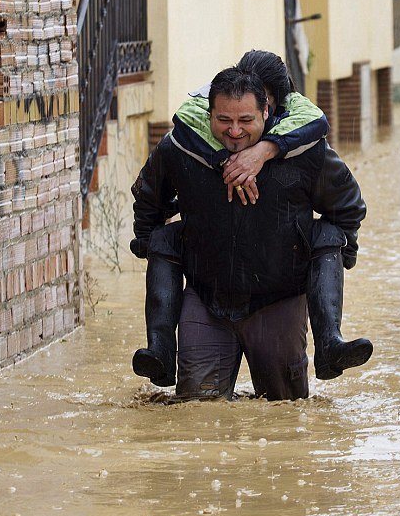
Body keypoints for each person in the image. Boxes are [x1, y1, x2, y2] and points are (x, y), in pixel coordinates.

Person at [130, 67, 369, 400]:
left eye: (246, 120)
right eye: (224, 120)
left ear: (267, 112)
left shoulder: (308, 152)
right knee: (195, 415)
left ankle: (330, 345)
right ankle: (160, 352)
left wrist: (340, 253)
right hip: (206, 298)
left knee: (287, 415)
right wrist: (147, 243)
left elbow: (347, 205)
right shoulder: (179, 148)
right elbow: (148, 198)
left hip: (279, 298)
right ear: (208, 114)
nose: (235, 131)